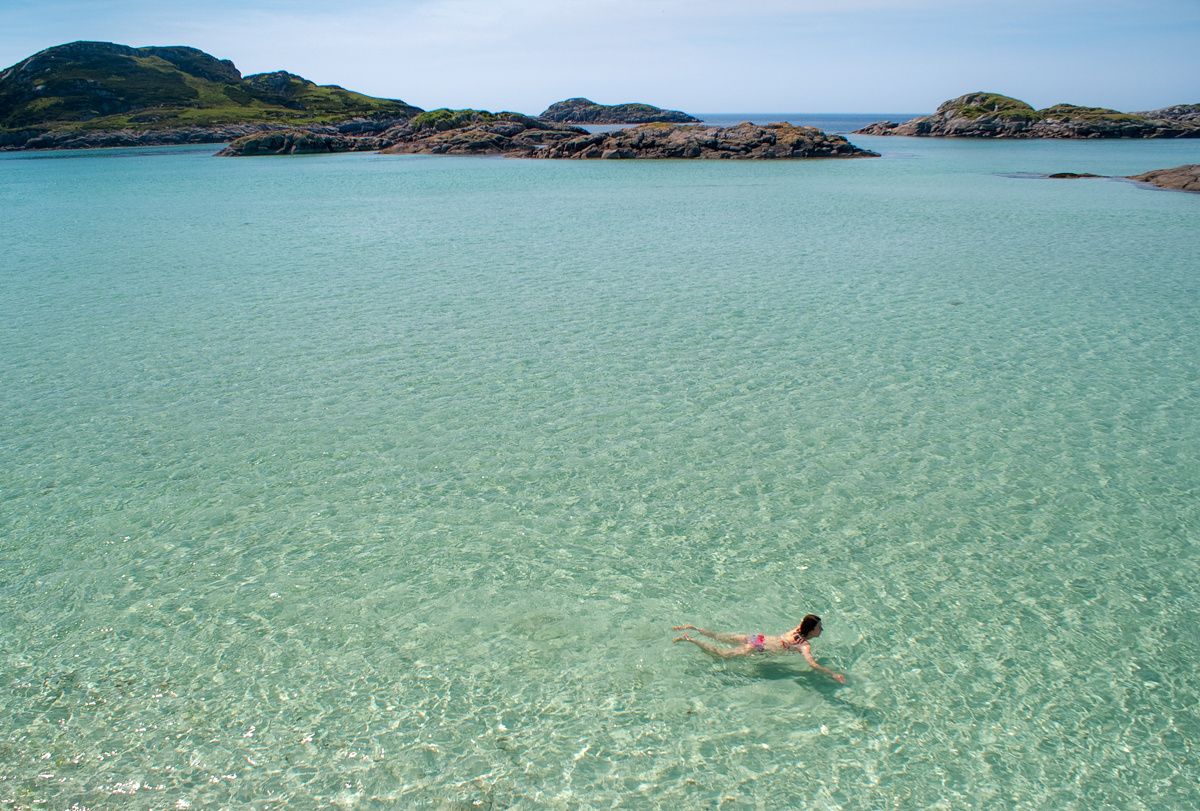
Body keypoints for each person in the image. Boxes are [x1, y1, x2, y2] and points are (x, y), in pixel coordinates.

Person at [673, 614, 846, 683]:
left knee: (718, 637)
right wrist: (832, 673)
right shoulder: (805, 645)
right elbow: (812, 664)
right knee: (720, 655)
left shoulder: (796, 630)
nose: (821, 630)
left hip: (757, 637)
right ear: (811, 630)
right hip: (758, 647)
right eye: (819, 628)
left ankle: (693, 628)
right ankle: (691, 640)